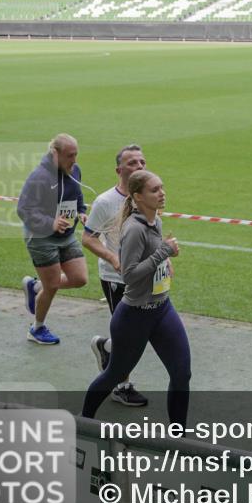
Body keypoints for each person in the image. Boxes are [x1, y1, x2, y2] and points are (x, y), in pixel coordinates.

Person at [82, 170, 191, 427]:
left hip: (162, 309)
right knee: (114, 374)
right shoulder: (133, 230)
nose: (162, 193)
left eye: (162, 187)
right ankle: (84, 422)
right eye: (155, 190)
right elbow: (129, 276)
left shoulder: (156, 222)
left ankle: (179, 438)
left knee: (181, 373)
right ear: (138, 197)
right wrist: (163, 251)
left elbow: (153, 262)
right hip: (134, 316)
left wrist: (164, 259)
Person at [81, 144, 149, 407]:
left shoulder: (146, 195)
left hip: (144, 276)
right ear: (119, 169)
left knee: (140, 332)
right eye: (133, 163)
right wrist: (112, 257)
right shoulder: (105, 202)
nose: (139, 167)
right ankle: (122, 386)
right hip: (116, 278)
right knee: (130, 334)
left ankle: (106, 347)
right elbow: (88, 238)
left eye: (142, 162)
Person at [17, 133, 90, 345]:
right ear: (55, 154)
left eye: (76, 154)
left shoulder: (74, 170)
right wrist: (50, 223)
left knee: (80, 279)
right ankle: (37, 328)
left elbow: (77, 196)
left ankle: (35, 287)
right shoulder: (39, 177)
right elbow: (24, 209)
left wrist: (81, 212)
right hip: (41, 237)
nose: (74, 160)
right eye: (69, 155)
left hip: (66, 236)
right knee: (53, 286)